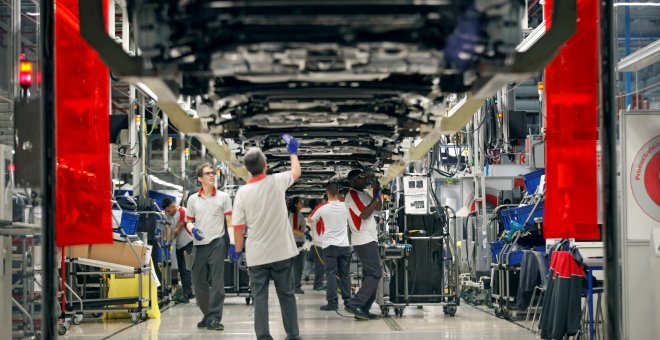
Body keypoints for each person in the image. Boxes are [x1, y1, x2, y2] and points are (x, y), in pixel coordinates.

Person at [232, 135, 303, 340]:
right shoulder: (277, 181)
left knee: (260, 298)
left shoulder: (243, 193)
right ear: (265, 165)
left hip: (257, 256)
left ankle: (263, 337)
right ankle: (292, 335)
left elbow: (238, 227)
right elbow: (296, 172)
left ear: (248, 168)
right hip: (281, 252)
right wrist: (292, 153)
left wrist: (237, 251)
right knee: (287, 295)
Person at [186, 163, 233, 331]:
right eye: (207, 173)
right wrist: (193, 230)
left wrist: (233, 243)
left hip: (217, 243)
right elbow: (188, 221)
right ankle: (207, 314)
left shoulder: (223, 197)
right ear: (200, 179)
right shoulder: (192, 199)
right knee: (197, 282)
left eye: (213, 173)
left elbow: (230, 223)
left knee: (217, 282)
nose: (212, 176)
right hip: (199, 245)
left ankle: (215, 316)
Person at [343, 169, 383, 320]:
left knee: (369, 274)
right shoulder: (352, 195)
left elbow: (377, 207)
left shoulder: (362, 193)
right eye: (361, 178)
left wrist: (377, 191)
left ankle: (363, 309)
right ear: (353, 181)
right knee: (375, 273)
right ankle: (355, 303)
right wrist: (375, 198)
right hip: (363, 239)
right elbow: (364, 214)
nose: (365, 179)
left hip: (369, 238)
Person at [309, 181, 351, 311]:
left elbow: (310, 219)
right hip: (344, 245)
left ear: (326, 193)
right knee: (345, 274)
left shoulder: (322, 207)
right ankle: (348, 303)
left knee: (331, 274)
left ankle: (332, 303)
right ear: (338, 192)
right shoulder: (346, 206)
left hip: (329, 246)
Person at [161, 198, 194, 304]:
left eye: (168, 210)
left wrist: (168, 241)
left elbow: (177, 230)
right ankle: (187, 293)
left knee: (188, 268)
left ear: (172, 206)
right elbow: (169, 228)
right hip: (179, 246)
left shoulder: (183, 211)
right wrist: (165, 240)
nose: (167, 213)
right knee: (182, 269)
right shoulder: (169, 214)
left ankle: (188, 293)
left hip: (189, 244)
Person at [288, 197, 307, 294]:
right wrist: (304, 233)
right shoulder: (295, 215)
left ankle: (294, 286)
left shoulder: (298, 215)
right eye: (301, 202)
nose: (302, 203)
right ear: (296, 204)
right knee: (298, 266)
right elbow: (293, 229)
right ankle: (296, 287)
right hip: (297, 243)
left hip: (297, 242)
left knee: (296, 266)